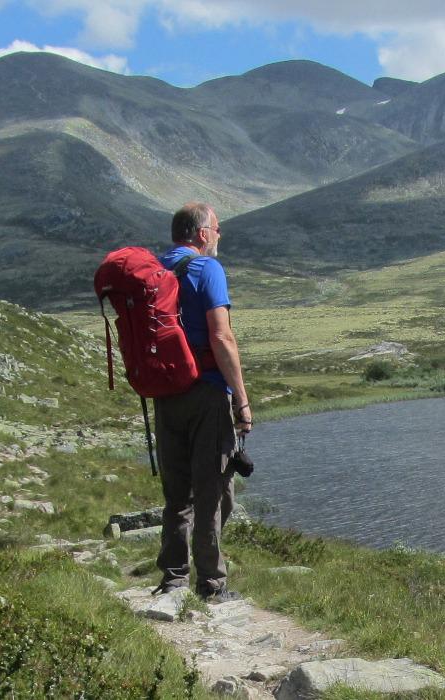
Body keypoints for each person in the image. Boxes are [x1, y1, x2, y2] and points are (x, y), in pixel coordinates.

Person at [153, 202, 253, 602]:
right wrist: (241, 400)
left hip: (165, 393)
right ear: (201, 233)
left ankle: (173, 580)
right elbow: (221, 336)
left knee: (177, 494)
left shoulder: (156, 269)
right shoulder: (206, 268)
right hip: (206, 392)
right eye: (217, 228)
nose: (219, 235)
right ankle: (211, 584)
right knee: (213, 490)